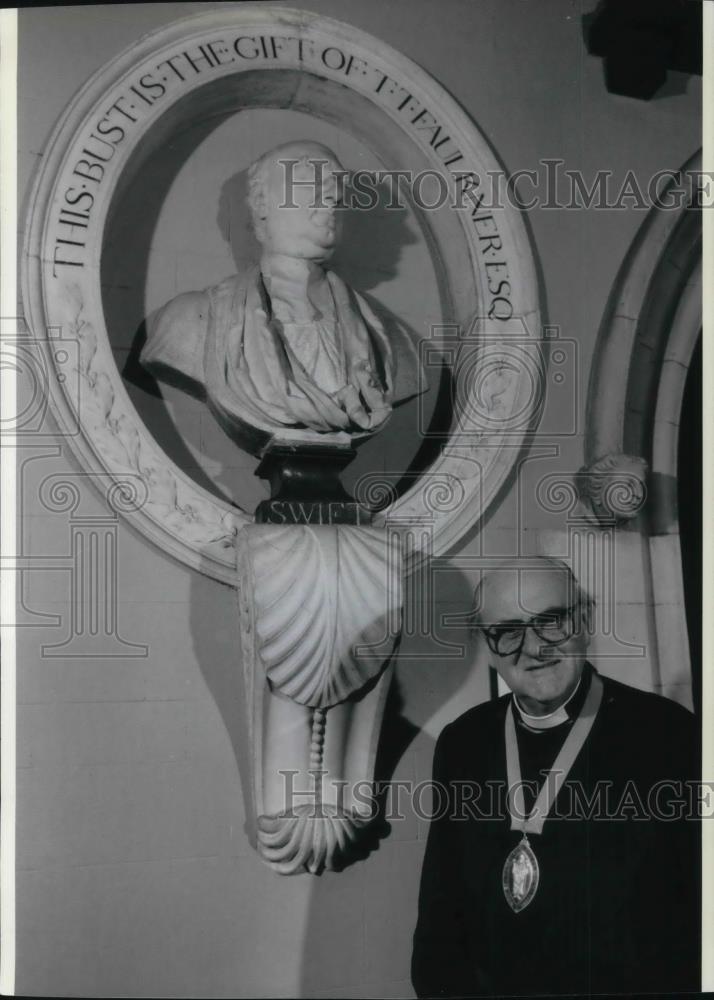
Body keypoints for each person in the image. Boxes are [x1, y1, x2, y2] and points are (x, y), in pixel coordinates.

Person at [412, 556, 700, 997]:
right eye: (508, 631)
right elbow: (440, 921)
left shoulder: (669, 735)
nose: (533, 647)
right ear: (489, 648)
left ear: (584, 620)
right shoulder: (464, 742)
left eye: (550, 621)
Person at [140, 140, 422, 454]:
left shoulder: (391, 340)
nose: (334, 195)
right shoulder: (192, 321)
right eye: (310, 181)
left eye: (337, 186)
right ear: (261, 202)